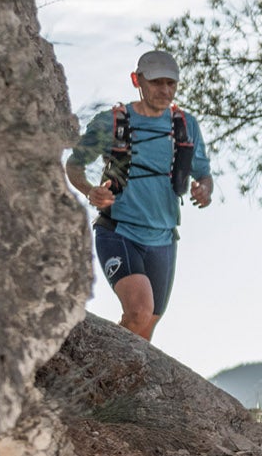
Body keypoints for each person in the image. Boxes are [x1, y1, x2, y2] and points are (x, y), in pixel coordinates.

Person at [66, 49, 214, 342]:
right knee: (139, 312)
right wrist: (89, 190)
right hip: (119, 231)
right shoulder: (110, 122)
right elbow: (74, 166)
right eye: (157, 82)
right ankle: (91, 367)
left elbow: (204, 175)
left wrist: (204, 191)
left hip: (164, 237)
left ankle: (110, 385)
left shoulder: (185, 125)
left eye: (171, 84)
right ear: (137, 80)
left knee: (144, 331)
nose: (165, 90)